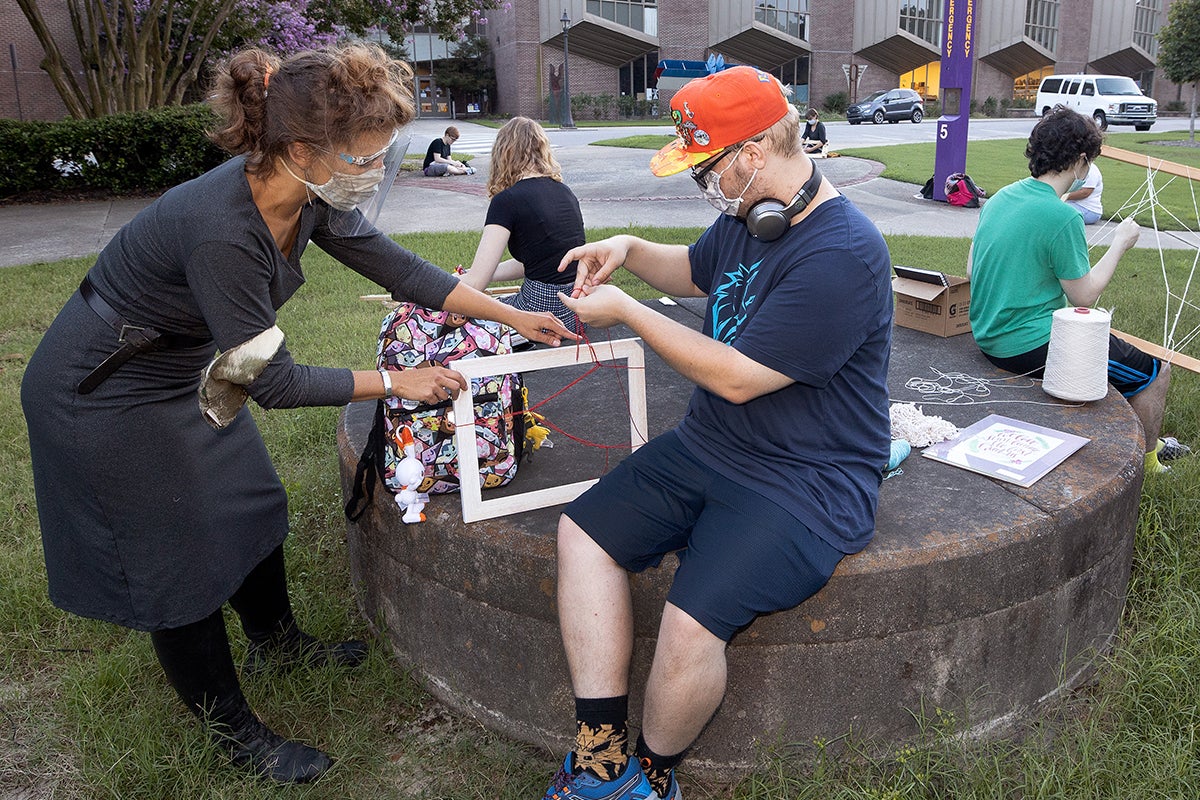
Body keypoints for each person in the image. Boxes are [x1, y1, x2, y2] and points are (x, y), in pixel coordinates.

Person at [19, 43, 573, 785]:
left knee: (249, 498)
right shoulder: (225, 229)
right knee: (175, 559)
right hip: (105, 388)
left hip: (181, 367)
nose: (376, 171)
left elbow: (402, 268)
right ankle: (236, 731)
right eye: (366, 157)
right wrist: (397, 381)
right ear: (305, 151)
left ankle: (277, 640)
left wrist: (513, 319)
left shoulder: (310, 196)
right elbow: (273, 383)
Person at [540, 66, 894, 800]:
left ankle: (656, 778)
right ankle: (601, 759)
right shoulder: (748, 214)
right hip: (711, 444)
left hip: (808, 479)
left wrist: (634, 314)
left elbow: (737, 376)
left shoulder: (844, 255)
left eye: (707, 170)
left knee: (689, 625)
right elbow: (697, 272)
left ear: (755, 153)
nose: (703, 186)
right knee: (584, 535)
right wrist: (632, 248)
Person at [967, 106, 1181, 474]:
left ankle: (1148, 440)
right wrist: (1120, 243)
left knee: (1118, 362)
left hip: (987, 337)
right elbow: (1084, 296)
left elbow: (972, 268)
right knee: (1156, 373)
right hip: (1028, 347)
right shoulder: (1062, 217)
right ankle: (1148, 463)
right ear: (1081, 161)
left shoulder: (1002, 197)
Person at [456, 116, 585, 332]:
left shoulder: (506, 200)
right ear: (542, 149)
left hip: (539, 312)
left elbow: (476, 284)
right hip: (576, 313)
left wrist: (438, 287)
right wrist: (472, 273)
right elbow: (543, 261)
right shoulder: (564, 191)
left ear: (503, 153)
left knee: (451, 321)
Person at [1063, 159, 1103, 224]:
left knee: (1055, 211)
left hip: (1088, 209)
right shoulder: (1075, 168)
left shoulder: (1091, 170)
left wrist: (1065, 196)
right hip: (1073, 204)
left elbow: (1085, 192)